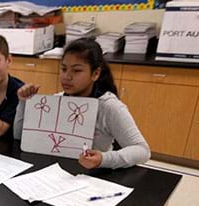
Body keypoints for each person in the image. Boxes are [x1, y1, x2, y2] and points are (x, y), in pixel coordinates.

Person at [15, 38, 151, 169]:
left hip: (93, 176)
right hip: (57, 173)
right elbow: (19, 136)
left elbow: (143, 151)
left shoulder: (109, 107)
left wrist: (103, 159)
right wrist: (23, 103)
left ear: (95, 74)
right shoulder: (57, 101)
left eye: (77, 70)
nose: (66, 77)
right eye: (63, 69)